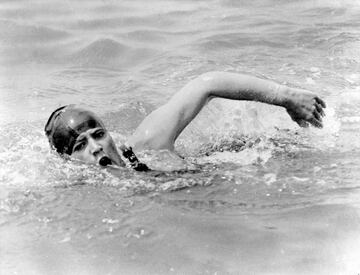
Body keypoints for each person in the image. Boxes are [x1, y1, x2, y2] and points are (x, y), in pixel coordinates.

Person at [45, 71, 326, 170]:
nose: (96, 147)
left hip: (241, 163)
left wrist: (285, 96)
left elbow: (206, 84)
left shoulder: (146, 145)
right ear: (67, 161)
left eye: (98, 134)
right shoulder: (79, 189)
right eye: (80, 145)